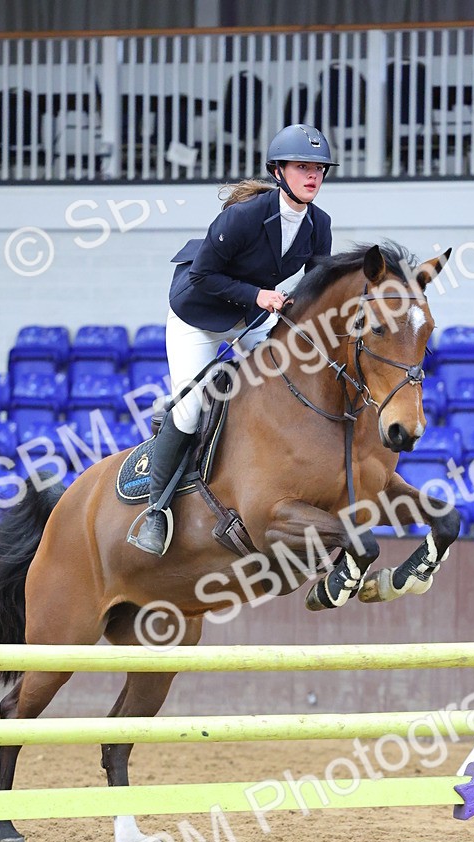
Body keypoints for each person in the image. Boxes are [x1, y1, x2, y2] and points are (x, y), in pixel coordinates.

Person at [133, 123, 337, 555]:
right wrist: (260, 295)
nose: (312, 176)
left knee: (286, 379)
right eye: (302, 167)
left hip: (250, 314)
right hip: (199, 315)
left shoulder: (319, 224)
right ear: (279, 172)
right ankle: (155, 509)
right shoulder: (243, 218)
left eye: (319, 168)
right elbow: (203, 275)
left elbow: (316, 288)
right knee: (190, 412)